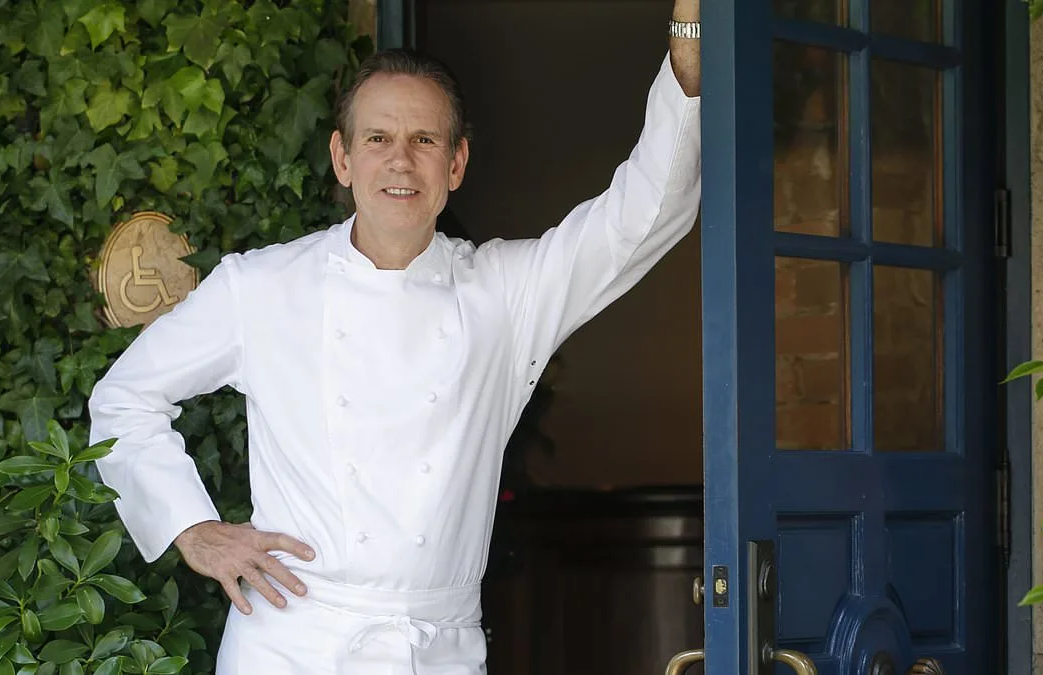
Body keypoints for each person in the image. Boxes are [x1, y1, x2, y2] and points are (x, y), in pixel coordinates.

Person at [87, 0, 702, 671]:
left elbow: (639, 218)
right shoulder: (260, 286)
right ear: (343, 158)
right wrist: (191, 528)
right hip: (292, 645)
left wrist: (687, 48)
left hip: (438, 649)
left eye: (425, 141)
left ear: (456, 163)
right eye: (377, 139)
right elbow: (125, 398)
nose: (400, 162)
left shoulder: (504, 293)